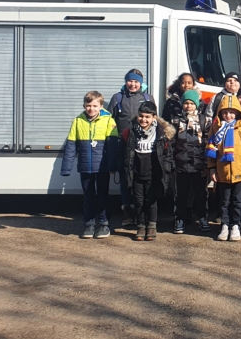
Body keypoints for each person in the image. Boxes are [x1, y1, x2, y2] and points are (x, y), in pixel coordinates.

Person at [60, 91, 119, 239]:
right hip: (85, 167)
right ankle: (89, 224)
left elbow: (112, 146)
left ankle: (104, 224)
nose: (91, 109)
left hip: (102, 167)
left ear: (101, 107)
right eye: (88, 105)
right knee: (88, 197)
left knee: (103, 196)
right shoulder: (78, 121)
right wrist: (66, 167)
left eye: (95, 106)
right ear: (84, 105)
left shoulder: (109, 121)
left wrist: (112, 166)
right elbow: (71, 145)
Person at [121, 100, 175, 241]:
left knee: (151, 201)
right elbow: (125, 153)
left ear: (154, 117)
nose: (143, 119)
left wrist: (167, 171)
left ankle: (151, 226)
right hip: (136, 174)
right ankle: (140, 226)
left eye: (147, 117)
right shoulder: (130, 132)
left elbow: (167, 154)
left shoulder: (161, 134)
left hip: (154, 174)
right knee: (138, 201)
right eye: (141, 116)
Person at [206, 94, 241, 242]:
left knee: (238, 201)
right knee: (224, 201)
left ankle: (235, 225)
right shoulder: (216, 126)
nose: (228, 115)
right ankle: (224, 225)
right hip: (223, 172)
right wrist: (212, 168)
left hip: (240, 170)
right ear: (220, 113)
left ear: (238, 112)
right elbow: (210, 148)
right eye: (225, 112)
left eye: (232, 112)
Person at [110, 68, 154, 229]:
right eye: (130, 81)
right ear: (126, 82)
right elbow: (110, 121)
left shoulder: (148, 98)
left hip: (142, 145)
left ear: (141, 84)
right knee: (124, 179)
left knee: (140, 179)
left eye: (136, 81)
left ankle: (140, 213)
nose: (133, 84)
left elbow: (154, 120)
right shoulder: (117, 98)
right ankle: (127, 212)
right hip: (123, 144)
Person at [170, 89, 209, 234]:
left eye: (191, 103)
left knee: (201, 194)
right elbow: (171, 144)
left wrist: (208, 164)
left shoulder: (204, 120)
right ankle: (180, 218)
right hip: (181, 165)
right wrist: (172, 163)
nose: (188, 106)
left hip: (199, 165)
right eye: (186, 103)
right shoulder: (175, 121)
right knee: (181, 194)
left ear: (196, 104)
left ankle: (202, 218)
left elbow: (208, 143)